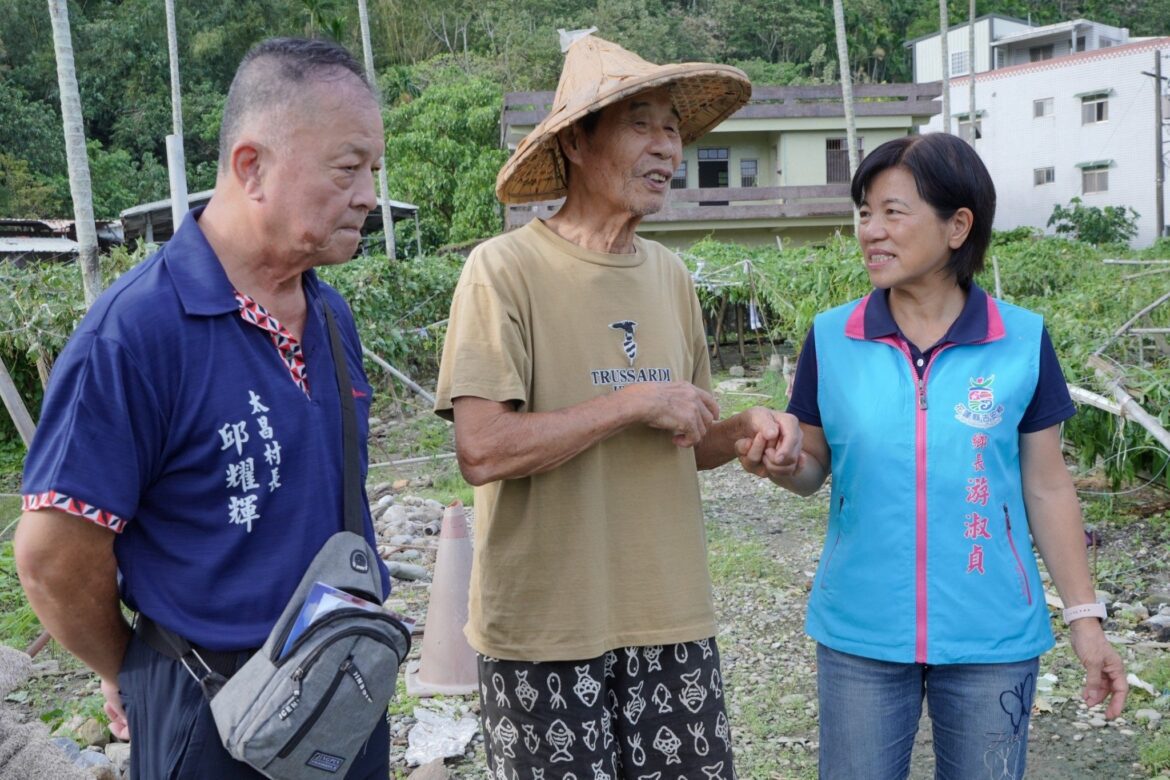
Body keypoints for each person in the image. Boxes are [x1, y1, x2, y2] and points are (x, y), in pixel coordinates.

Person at [15, 37, 392, 779]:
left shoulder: (331, 315)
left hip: (342, 690)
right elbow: (51, 558)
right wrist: (135, 669)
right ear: (251, 166)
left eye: (372, 170)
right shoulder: (135, 333)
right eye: (349, 168)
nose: (369, 195)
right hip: (207, 712)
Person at [433, 32, 801, 779]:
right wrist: (630, 402)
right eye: (641, 123)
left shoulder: (670, 277)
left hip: (670, 618)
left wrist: (740, 432)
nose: (666, 147)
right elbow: (482, 450)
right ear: (575, 140)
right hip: (544, 631)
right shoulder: (502, 272)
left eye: (673, 127)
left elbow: (684, 435)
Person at [737, 132, 1128, 779]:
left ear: (958, 226)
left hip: (992, 633)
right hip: (860, 631)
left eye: (893, 212)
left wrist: (1086, 619)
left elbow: (1048, 487)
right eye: (865, 212)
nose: (870, 231)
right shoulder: (833, 337)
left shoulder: (1021, 341)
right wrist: (783, 463)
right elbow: (812, 466)